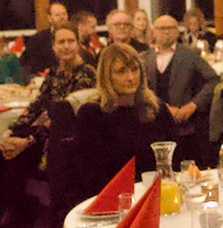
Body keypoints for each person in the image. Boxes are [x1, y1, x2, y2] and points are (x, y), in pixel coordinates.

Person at [0, 26, 96, 228]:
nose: (66, 47)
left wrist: (27, 140)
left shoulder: (85, 75)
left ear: (79, 45)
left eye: (70, 41)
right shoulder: (54, 74)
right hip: (45, 135)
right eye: (61, 42)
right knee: (0, 156)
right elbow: (37, 105)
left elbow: (63, 122)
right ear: (54, 48)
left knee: (16, 156)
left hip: (67, 142)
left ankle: (19, 212)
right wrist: (13, 131)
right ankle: (14, 209)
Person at [74, 44, 175, 192]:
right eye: (121, 71)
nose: (131, 78)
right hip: (113, 197)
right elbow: (90, 174)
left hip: (158, 193)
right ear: (107, 76)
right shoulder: (92, 115)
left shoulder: (156, 110)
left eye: (135, 70)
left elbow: (176, 161)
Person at [142, 14, 218, 167]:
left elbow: (214, 80)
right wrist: (160, 108)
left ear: (177, 31)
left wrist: (193, 105)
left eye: (171, 28)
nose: (167, 32)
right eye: (162, 28)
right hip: (153, 125)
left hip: (184, 126)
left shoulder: (190, 55)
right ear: (154, 32)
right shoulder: (144, 58)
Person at [21, 2, 71, 76]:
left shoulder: (74, 36)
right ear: (49, 18)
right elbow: (27, 64)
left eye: (64, 14)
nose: (62, 17)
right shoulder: (38, 39)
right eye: (57, 15)